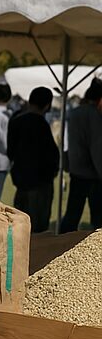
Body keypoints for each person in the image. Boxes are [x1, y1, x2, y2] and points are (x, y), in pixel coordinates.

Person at [6, 85, 60, 233]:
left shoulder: (16, 121)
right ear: (47, 105)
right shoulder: (40, 124)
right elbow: (50, 155)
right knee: (37, 229)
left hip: (21, 180)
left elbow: (10, 151)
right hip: (39, 183)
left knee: (20, 227)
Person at [59, 78, 102, 232]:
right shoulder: (93, 115)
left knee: (72, 213)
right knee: (98, 218)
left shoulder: (75, 112)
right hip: (92, 173)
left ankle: (62, 242)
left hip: (76, 168)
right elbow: (97, 147)